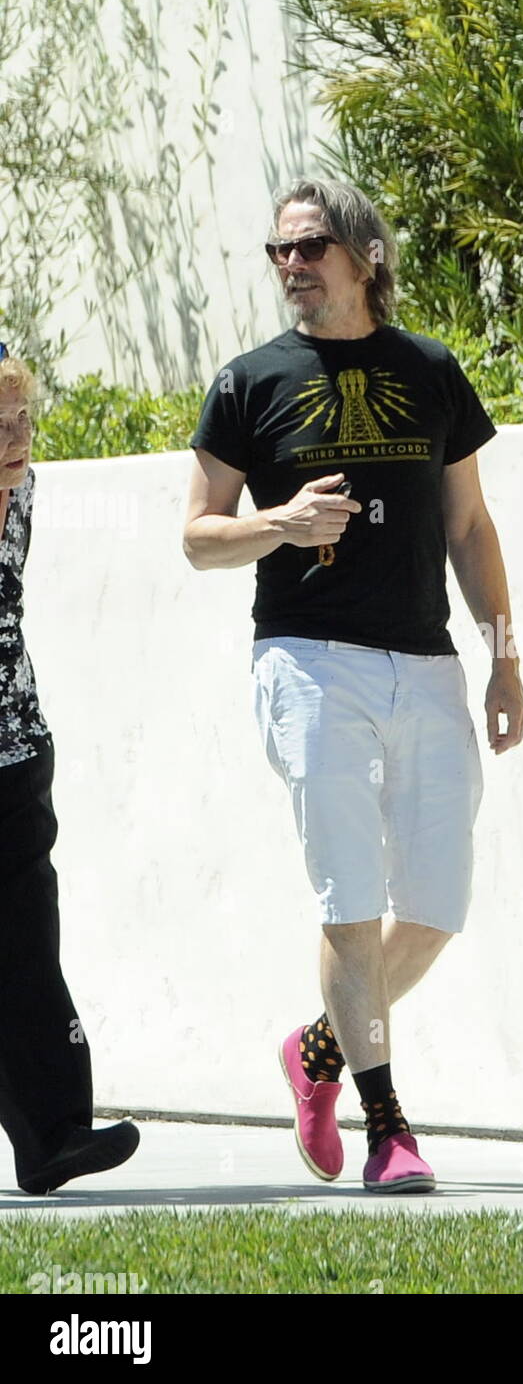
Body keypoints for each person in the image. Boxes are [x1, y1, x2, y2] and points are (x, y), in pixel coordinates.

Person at [184, 179, 523, 1192]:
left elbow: (468, 526)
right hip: (307, 661)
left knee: (433, 903)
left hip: (426, 660)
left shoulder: (428, 370)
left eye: (311, 247)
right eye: (280, 250)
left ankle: (318, 1051)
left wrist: (506, 657)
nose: (294, 264)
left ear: (365, 255)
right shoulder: (247, 381)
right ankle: (388, 1129)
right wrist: (278, 524)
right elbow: (198, 538)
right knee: (349, 897)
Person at [0, 344, 140, 1194]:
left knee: (26, 935)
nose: (17, 438)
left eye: (23, 420)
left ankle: (53, 1137)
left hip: (14, 740)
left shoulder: (24, 494)